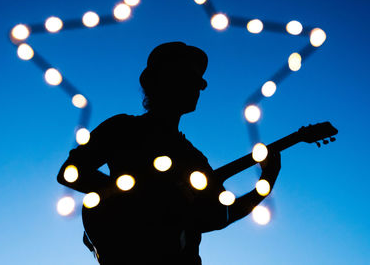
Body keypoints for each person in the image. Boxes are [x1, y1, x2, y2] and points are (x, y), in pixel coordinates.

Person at [57, 42, 281, 265]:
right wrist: (138, 195)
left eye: (199, 82)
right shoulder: (123, 128)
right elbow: (70, 172)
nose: (200, 87)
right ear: (163, 81)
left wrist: (266, 182)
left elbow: (218, 216)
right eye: (191, 78)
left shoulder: (194, 158)